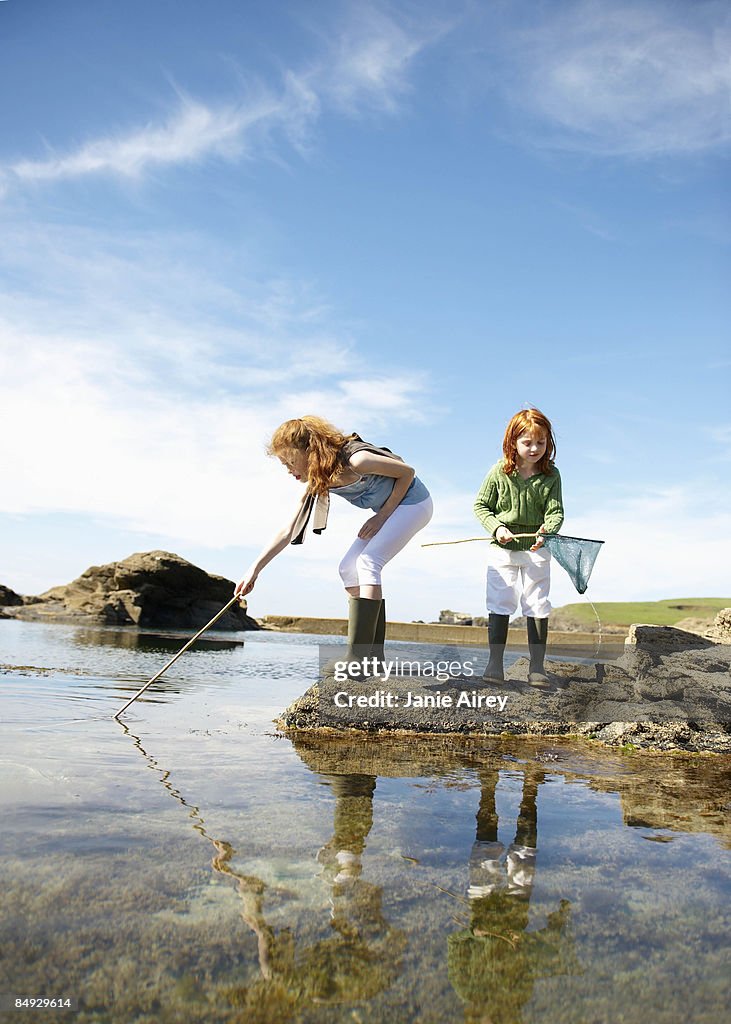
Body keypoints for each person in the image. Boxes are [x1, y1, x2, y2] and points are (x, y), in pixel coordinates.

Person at [235, 415, 433, 669]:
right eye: (283, 463)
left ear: (308, 451)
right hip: (391, 511)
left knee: (369, 562)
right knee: (348, 568)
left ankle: (360, 658)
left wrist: (382, 516)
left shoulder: (356, 460)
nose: (287, 469)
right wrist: (254, 570)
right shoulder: (319, 480)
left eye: (289, 460)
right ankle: (373, 656)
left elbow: (407, 472)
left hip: (414, 504)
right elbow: (288, 530)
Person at [473, 408, 563, 686]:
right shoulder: (499, 471)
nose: (534, 448)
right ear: (513, 442)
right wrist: (497, 528)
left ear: (549, 442)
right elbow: (481, 506)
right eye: (527, 442)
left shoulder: (552, 475)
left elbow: (556, 512)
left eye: (541, 442)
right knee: (500, 601)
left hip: (537, 550)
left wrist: (547, 530)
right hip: (502, 550)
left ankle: (537, 667)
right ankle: (494, 664)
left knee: (537, 603)